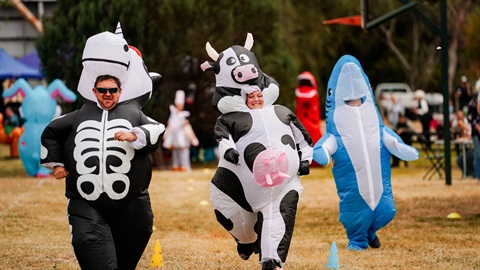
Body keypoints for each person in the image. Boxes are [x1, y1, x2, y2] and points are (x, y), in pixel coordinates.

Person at [40, 30, 165, 269]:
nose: (108, 95)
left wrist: (135, 134)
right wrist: (56, 163)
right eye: (102, 90)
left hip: (132, 204)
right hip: (85, 202)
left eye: (112, 90)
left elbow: (157, 130)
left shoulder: (134, 115)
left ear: (120, 91)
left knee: (127, 256)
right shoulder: (78, 116)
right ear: (94, 91)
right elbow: (51, 132)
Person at [201, 33, 313, 270]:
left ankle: (272, 261)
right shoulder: (229, 119)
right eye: (250, 97)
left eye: (258, 95)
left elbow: (303, 138)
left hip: (282, 181)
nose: (255, 99)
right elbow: (223, 139)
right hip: (239, 185)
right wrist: (229, 151)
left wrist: (306, 159)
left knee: (279, 214)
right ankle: (246, 241)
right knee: (239, 222)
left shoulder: (282, 112)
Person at [162, 89, 199, 171]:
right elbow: (170, 124)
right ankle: (175, 166)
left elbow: (187, 126)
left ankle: (185, 166)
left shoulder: (185, 114)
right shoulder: (172, 113)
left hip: (182, 135)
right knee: (175, 151)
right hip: (174, 135)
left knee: (184, 150)